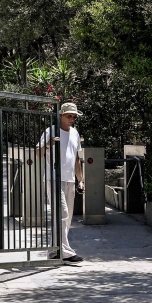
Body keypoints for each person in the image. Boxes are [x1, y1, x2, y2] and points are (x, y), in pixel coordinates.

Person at [36, 102, 85, 263]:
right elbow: (37, 153)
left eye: (74, 116)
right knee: (62, 213)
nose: (72, 119)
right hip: (54, 178)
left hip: (70, 179)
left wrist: (81, 180)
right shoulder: (51, 131)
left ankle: (54, 251)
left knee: (67, 217)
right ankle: (67, 252)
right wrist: (48, 144)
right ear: (61, 116)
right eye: (69, 116)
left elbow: (76, 158)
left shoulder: (75, 133)